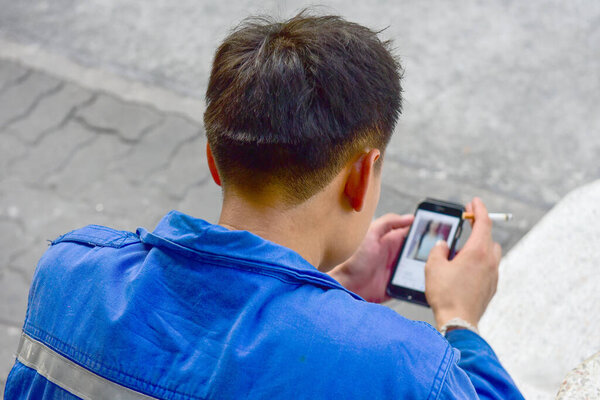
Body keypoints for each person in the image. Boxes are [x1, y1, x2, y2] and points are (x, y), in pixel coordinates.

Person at [5, 12, 524, 399]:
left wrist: (335, 288)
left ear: (213, 159)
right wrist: (459, 317)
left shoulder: (69, 272)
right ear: (362, 177)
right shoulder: (401, 368)